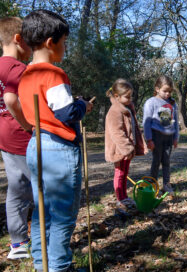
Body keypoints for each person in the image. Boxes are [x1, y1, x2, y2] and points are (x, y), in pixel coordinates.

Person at [19, 10, 93, 272]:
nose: (65, 48)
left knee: (43, 212)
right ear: (51, 43)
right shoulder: (54, 74)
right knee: (62, 215)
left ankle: (43, 265)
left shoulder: (25, 75)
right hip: (58, 149)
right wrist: (83, 105)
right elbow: (67, 113)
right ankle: (60, 267)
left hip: (36, 144)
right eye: (64, 42)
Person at [0, 17, 33, 260]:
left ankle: (18, 242)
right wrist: (28, 126)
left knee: (16, 187)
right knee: (37, 187)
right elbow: (11, 100)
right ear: (18, 39)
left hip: (4, 136)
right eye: (31, 42)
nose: (33, 47)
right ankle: (37, 238)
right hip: (20, 136)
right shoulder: (18, 68)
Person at [105, 78, 148, 211]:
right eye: (127, 97)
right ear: (117, 96)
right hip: (120, 150)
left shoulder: (126, 108)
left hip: (127, 150)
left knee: (125, 173)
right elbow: (116, 132)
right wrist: (127, 148)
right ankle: (120, 199)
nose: (130, 99)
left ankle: (124, 196)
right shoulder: (114, 111)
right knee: (119, 174)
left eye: (131, 96)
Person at [143, 75, 179, 194]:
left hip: (168, 138)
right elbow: (146, 122)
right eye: (165, 91)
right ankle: (152, 185)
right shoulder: (151, 102)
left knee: (166, 161)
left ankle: (167, 185)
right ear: (157, 89)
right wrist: (149, 139)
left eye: (169, 91)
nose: (167, 94)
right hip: (156, 136)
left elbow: (175, 123)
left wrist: (175, 138)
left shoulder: (173, 103)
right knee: (156, 161)